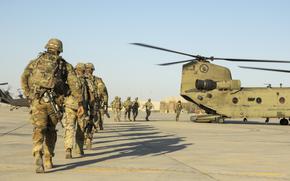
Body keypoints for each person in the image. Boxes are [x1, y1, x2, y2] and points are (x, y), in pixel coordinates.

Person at [21, 38, 82, 173]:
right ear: (59, 50)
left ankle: (37, 153)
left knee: (39, 128)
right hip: (54, 103)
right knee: (51, 130)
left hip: (37, 101)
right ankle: (48, 159)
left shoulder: (35, 62)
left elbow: (23, 77)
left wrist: (28, 94)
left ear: (47, 47)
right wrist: (80, 102)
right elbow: (75, 84)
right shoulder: (64, 65)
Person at [63, 63, 89, 159]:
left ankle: (68, 149)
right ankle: (78, 148)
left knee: (70, 128)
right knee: (80, 128)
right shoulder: (85, 81)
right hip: (81, 107)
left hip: (70, 106)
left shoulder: (69, 79)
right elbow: (89, 96)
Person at [85, 63, 108, 149]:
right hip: (94, 104)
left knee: (82, 121)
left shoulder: (79, 78)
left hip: (82, 104)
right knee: (92, 121)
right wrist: (104, 103)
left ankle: (82, 139)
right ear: (93, 70)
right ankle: (88, 138)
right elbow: (104, 92)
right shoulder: (98, 80)